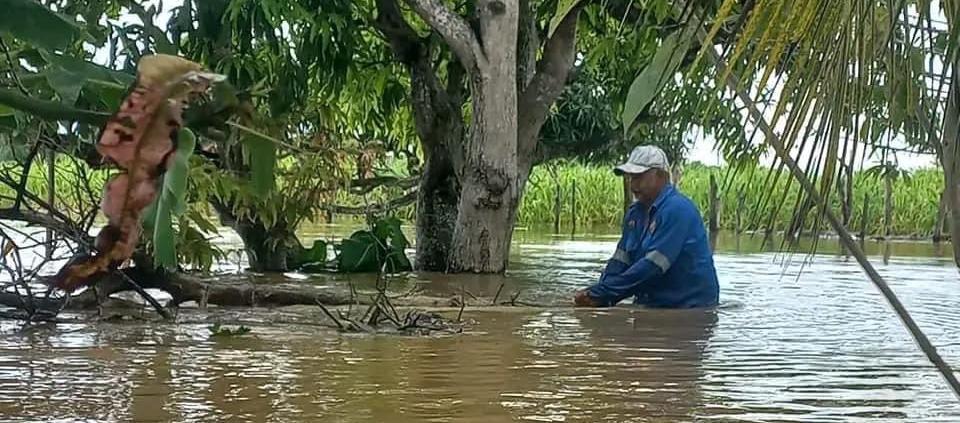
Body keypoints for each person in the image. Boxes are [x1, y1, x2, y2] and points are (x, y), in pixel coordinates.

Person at [574, 145, 719, 308]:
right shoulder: (634, 214)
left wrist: (603, 293)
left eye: (639, 177)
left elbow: (652, 267)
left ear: (661, 176)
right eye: (631, 178)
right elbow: (619, 261)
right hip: (652, 304)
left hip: (690, 308)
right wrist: (597, 293)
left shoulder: (678, 210)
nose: (633, 185)